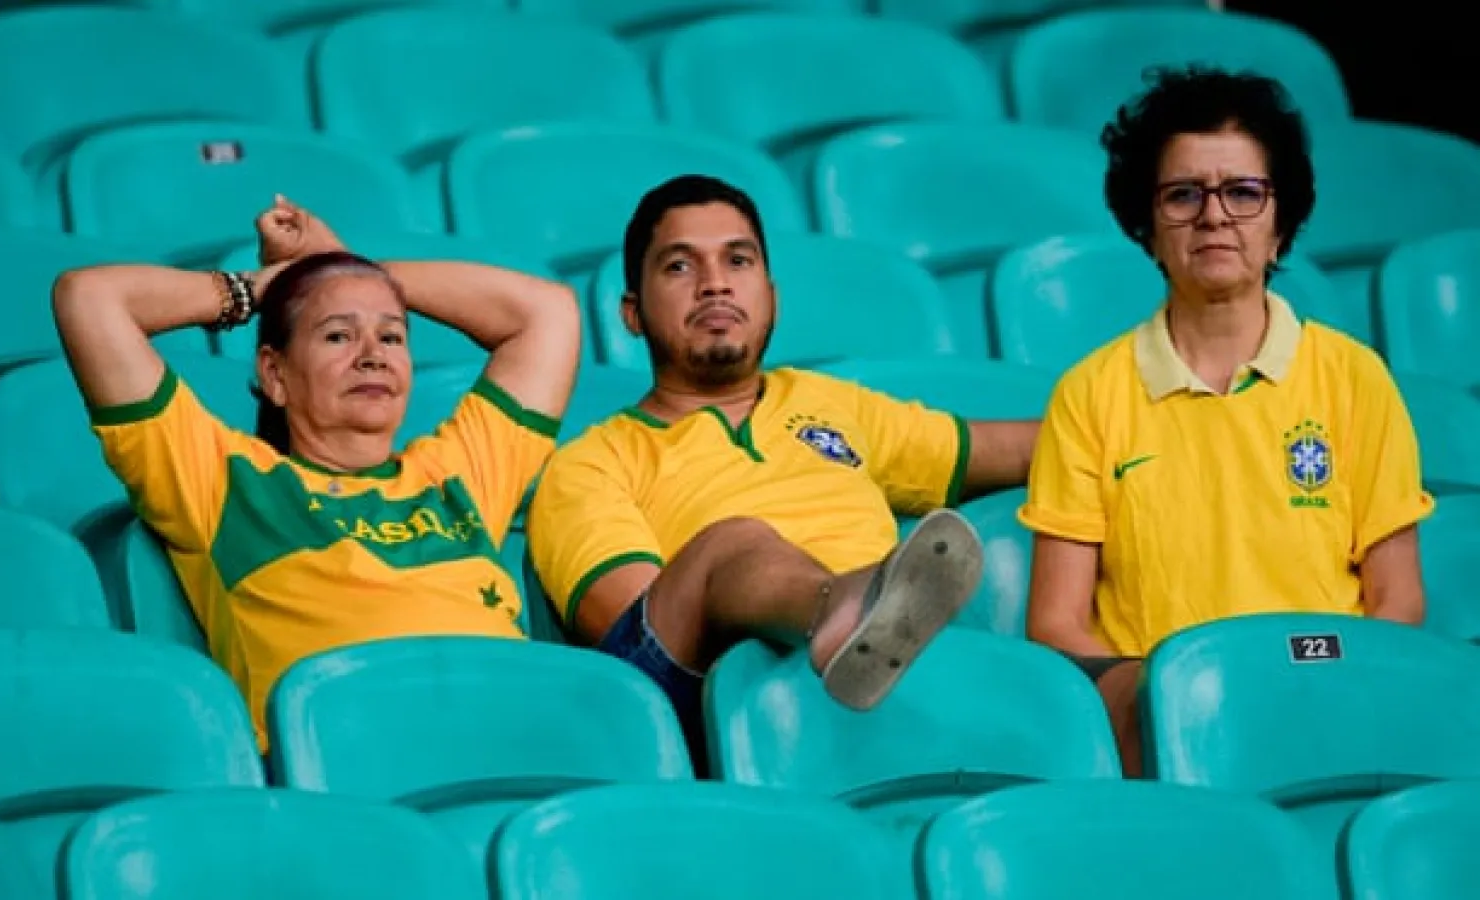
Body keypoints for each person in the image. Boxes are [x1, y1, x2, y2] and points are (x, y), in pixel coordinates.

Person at [526, 175, 1038, 749]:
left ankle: (867, 616)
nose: (715, 285)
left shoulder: (832, 403)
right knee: (729, 545)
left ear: (771, 296)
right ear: (631, 313)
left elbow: (1024, 449)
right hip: (718, 703)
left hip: (893, 692)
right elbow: (640, 640)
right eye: (679, 267)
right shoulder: (591, 462)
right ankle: (849, 607)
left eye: (738, 261)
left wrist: (1145, 432)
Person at [1020, 67, 1433, 775]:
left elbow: (1398, 599)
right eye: (1184, 195)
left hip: (1329, 713)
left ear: (1281, 227)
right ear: (1148, 229)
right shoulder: (1089, 394)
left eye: (1243, 193)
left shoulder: (1356, 378)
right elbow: (1056, 622)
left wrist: (1318, 686)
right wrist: (1156, 697)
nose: (1214, 216)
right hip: (1169, 737)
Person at [54, 197, 580, 749]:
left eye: (392, 336)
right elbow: (89, 298)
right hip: (351, 775)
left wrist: (342, 267)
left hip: (510, 747)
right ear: (274, 373)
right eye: (337, 335)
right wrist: (267, 286)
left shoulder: (461, 474)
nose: (372, 355)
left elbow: (548, 312)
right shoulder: (220, 480)